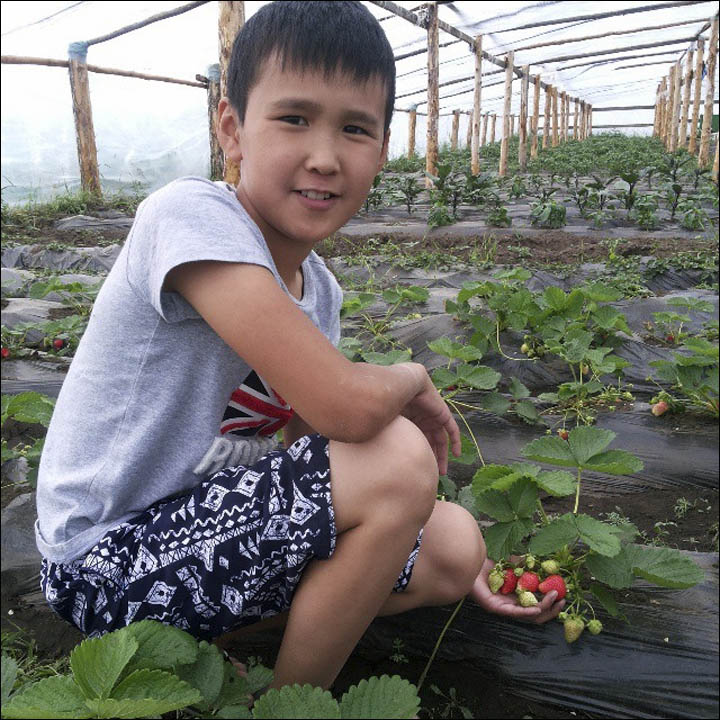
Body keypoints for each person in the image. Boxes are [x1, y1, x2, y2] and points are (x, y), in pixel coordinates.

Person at [35, 1, 564, 693]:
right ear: (233, 129)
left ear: (382, 150)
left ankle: (209, 644)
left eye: (354, 129)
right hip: (105, 563)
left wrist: (424, 534)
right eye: (294, 118)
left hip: (205, 541)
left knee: (455, 542)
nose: (324, 156)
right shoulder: (190, 217)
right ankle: (291, 706)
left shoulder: (319, 291)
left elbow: (326, 443)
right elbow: (345, 410)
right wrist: (409, 377)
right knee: (402, 458)